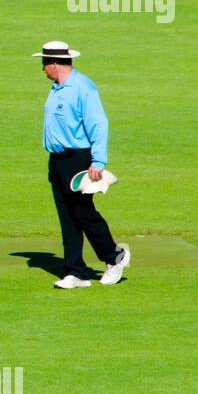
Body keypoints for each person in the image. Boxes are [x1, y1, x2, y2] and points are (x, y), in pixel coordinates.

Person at [33, 41, 129, 288]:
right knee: (67, 217)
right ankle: (76, 271)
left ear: (54, 64)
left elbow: (99, 124)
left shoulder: (83, 88)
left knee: (83, 213)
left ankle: (115, 256)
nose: (42, 68)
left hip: (78, 159)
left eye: (44, 63)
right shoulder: (57, 87)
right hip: (58, 161)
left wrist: (97, 161)